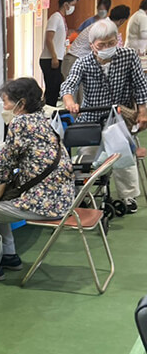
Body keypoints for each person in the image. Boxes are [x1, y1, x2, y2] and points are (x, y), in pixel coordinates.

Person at [0, 78, 75, 281]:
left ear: (21, 104)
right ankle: (9, 256)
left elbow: (5, 167)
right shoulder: (41, 119)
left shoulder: (19, 122)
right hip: (62, 198)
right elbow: (30, 159)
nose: (4, 107)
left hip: (45, 205)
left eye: (5, 102)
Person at [61, 18, 147, 213]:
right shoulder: (83, 62)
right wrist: (70, 101)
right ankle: (82, 194)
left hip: (119, 116)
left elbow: (141, 85)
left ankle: (128, 196)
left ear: (117, 39)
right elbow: (69, 84)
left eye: (111, 43)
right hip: (91, 117)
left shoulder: (128, 56)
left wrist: (143, 112)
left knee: (122, 154)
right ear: (92, 45)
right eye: (102, 45)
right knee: (86, 158)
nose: (107, 48)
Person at [63, 5, 131, 105]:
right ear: (122, 21)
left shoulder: (104, 25)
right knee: (78, 101)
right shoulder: (104, 28)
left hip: (74, 58)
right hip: (74, 59)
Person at [40, 0, 80, 106]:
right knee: (52, 90)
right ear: (66, 4)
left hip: (57, 57)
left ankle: (49, 109)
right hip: (50, 58)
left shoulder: (62, 19)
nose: (73, 8)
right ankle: (49, 111)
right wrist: (54, 57)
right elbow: (49, 39)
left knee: (55, 89)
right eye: (73, 5)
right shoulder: (55, 17)